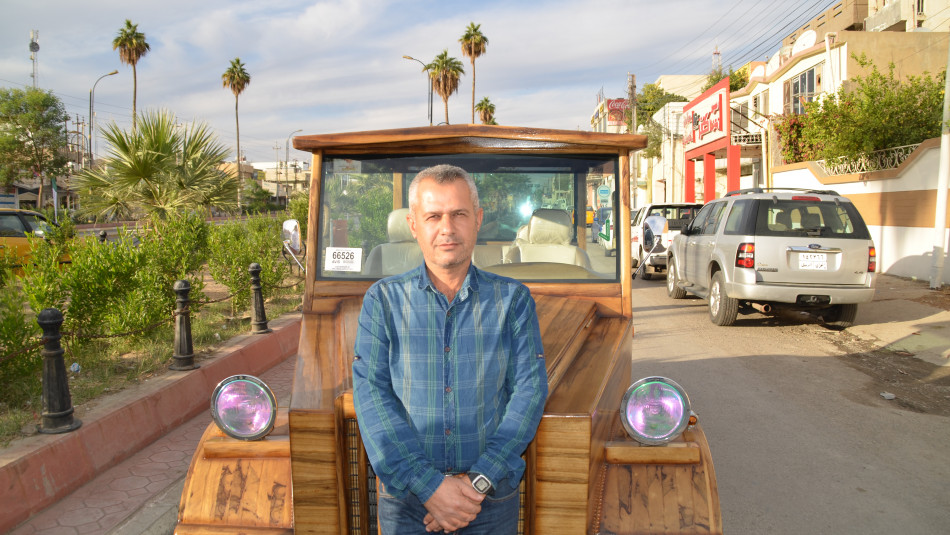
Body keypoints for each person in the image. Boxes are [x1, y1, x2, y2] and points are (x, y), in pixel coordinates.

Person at [352, 164, 548, 534]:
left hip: (489, 501)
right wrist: (431, 488)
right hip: (407, 503)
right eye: (433, 216)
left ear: (478, 219)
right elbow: (372, 397)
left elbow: (529, 392)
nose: (447, 228)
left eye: (458, 214)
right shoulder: (382, 301)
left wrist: (477, 483)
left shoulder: (513, 300)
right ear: (414, 225)